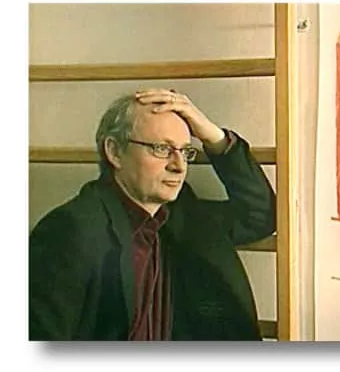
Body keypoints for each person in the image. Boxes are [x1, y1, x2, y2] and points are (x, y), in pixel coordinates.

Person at [29, 88, 276, 341]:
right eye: (162, 148)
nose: (178, 166)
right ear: (115, 152)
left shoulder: (184, 215)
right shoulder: (68, 231)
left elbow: (259, 214)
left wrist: (213, 137)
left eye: (185, 151)